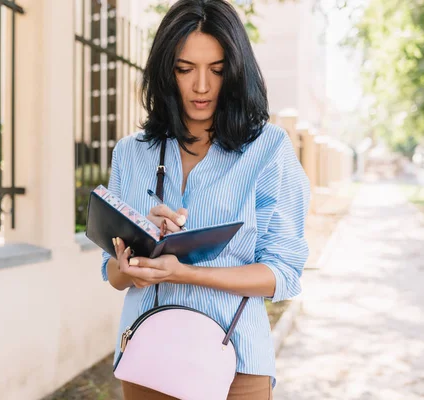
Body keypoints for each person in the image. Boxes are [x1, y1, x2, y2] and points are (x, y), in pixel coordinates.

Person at [101, 0, 310, 398]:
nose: (201, 86)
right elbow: (113, 275)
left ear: (236, 72)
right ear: (166, 72)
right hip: (149, 358)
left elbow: (282, 275)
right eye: (185, 69)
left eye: (217, 70)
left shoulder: (269, 149)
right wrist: (140, 252)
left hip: (237, 362)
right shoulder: (130, 153)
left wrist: (184, 272)